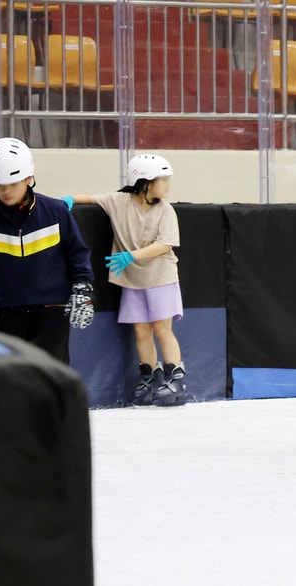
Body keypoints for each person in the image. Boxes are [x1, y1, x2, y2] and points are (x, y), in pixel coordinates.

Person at [62, 154, 187, 406]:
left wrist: (131, 255)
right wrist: (68, 200)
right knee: (141, 331)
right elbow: (90, 198)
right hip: (132, 280)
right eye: (162, 180)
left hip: (160, 277)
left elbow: (165, 245)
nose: (167, 185)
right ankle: (149, 377)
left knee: (162, 329)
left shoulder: (166, 210)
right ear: (144, 182)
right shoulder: (118, 201)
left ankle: (175, 379)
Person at [0, 137, 94, 362]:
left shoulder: (56, 212)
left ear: (29, 178)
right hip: (11, 312)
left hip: (53, 308)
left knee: (47, 371)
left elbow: (77, 253)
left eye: (12, 184)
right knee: (16, 376)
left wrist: (83, 289)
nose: (6, 191)